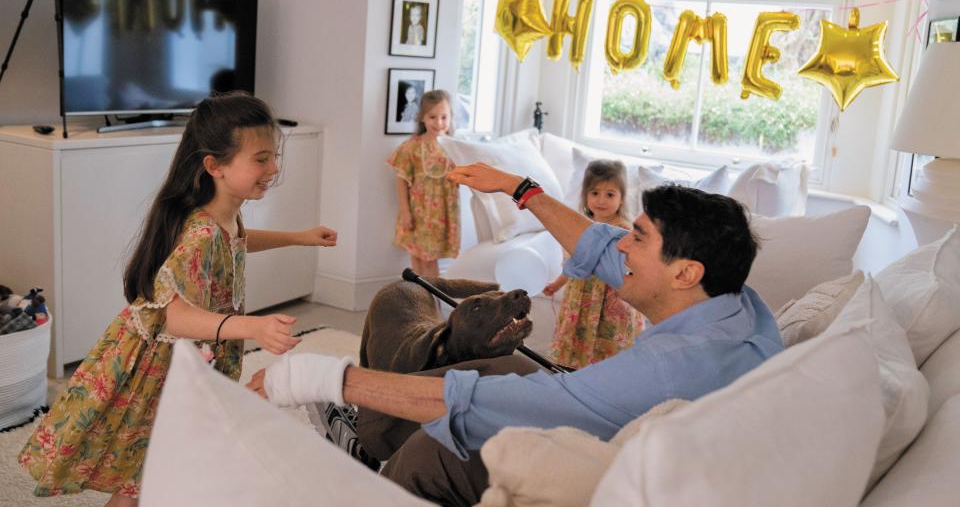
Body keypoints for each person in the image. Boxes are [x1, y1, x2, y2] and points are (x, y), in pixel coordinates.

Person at [247, 163, 783, 506]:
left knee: (443, 440)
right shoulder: (736, 306)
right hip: (637, 427)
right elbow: (597, 245)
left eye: (636, 238)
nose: (620, 246)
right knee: (492, 366)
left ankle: (382, 473)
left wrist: (320, 377)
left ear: (685, 271)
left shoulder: (669, 366)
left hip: (608, 460)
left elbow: (506, 402)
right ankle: (371, 441)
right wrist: (518, 188)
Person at [19, 92, 339, 506]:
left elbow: (237, 242)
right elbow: (174, 317)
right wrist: (253, 326)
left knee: (159, 466)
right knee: (144, 471)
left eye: (274, 156)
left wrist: (299, 237)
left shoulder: (224, 213)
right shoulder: (201, 233)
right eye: (261, 159)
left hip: (188, 358)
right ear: (215, 166)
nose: (274, 168)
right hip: (162, 367)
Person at [543, 159, 644, 369]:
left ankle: (607, 373)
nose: (601, 200)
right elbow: (576, 262)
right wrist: (557, 284)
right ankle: (575, 370)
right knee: (580, 337)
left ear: (622, 198)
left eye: (610, 194)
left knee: (607, 340)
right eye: (595, 193)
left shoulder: (624, 230)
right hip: (582, 295)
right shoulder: (580, 227)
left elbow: (634, 267)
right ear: (585, 196)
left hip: (609, 296)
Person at [387, 89, 459, 280]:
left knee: (430, 260)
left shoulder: (455, 147)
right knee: (417, 257)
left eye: (444, 117)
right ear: (422, 118)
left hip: (440, 215)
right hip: (417, 213)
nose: (439, 123)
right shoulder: (412, 147)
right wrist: (405, 212)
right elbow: (401, 181)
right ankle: (419, 299)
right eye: (432, 117)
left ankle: (432, 300)